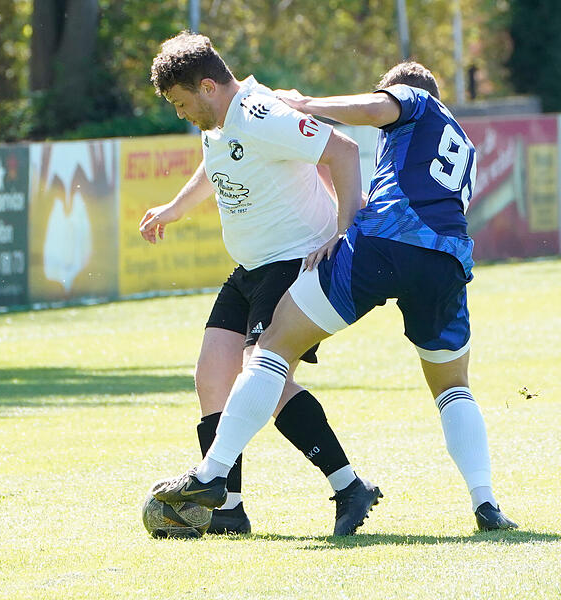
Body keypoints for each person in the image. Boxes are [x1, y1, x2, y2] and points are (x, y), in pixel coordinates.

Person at [154, 61, 518, 532]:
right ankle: (485, 503)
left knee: (272, 352)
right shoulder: (461, 144)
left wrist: (304, 104)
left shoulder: (414, 100)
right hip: (446, 260)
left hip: (381, 243)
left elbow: (369, 115)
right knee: (452, 388)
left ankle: (211, 476)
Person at [140, 31, 381, 536]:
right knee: (212, 377)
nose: (182, 114)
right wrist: (174, 209)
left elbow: (342, 149)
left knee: (265, 380)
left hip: (292, 261)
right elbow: (215, 166)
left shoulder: (259, 113)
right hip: (250, 269)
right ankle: (229, 508)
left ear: (208, 86)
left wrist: (344, 231)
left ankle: (346, 487)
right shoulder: (222, 122)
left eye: (183, 103)